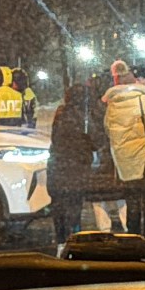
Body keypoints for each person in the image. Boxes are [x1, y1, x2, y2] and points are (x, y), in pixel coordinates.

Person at [102, 59, 145, 237]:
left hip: (124, 160)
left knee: (132, 200)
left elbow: (107, 129)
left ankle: (133, 236)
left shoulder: (112, 105)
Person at [47, 84, 105, 250]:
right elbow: (96, 141)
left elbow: (54, 138)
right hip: (77, 168)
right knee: (74, 207)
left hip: (57, 166)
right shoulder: (85, 118)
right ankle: (73, 242)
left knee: (58, 206)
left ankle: (60, 242)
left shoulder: (60, 114)